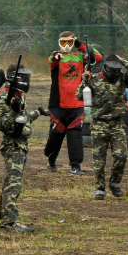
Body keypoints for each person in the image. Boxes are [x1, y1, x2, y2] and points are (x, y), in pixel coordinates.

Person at [0, 63, 48, 233]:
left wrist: (38, 112)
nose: (27, 80)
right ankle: (9, 222)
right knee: (12, 185)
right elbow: (4, 125)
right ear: (14, 78)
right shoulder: (3, 97)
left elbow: (22, 120)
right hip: (12, 145)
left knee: (13, 184)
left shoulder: (17, 95)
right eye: (24, 77)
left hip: (20, 145)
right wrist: (14, 111)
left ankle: (6, 220)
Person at [76, 55, 128, 200]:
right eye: (111, 69)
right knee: (99, 160)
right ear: (105, 66)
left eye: (116, 69)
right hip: (99, 124)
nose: (113, 72)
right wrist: (84, 81)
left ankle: (115, 183)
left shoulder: (122, 78)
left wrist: (122, 60)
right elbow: (79, 96)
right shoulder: (93, 79)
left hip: (117, 124)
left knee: (121, 156)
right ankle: (99, 189)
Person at [44, 31, 102, 175]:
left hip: (77, 104)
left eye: (69, 42)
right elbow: (51, 60)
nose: (66, 45)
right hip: (58, 105)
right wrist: (56, 56)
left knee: (75, 136)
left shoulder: (81, 57)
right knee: (56, 135)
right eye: (63, 42)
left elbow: (97, 57)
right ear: (59, 43)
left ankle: (75, 166)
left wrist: (79, 44)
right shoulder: (56, 55)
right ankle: (51, 160)